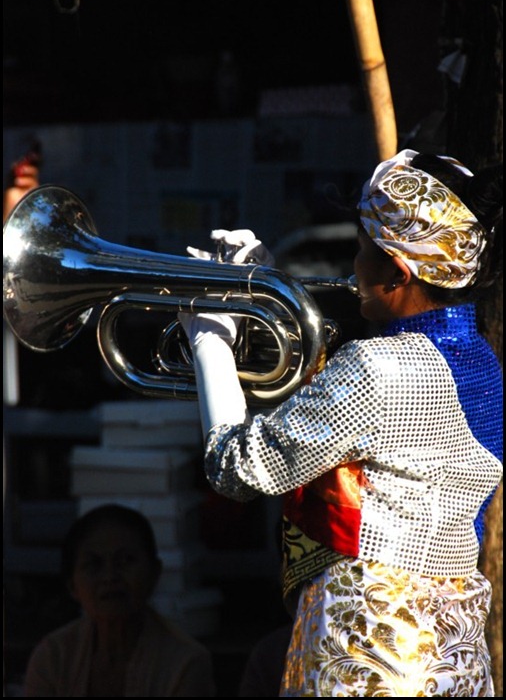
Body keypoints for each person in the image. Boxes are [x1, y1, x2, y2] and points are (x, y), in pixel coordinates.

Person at [178, 149, 503, 697]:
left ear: (397, 273)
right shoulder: (484, 364)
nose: (351, 265)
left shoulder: (381, 368)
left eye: (359, 250)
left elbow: (233, 467)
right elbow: (349, 427)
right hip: (452, 656)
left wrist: (208, 339)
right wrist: (267, 281)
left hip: (365, 651)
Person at [22, 504, 216, 697]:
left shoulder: (184, 663)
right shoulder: (53, 657)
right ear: (72, 586)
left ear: (154, 573)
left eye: (125, 561)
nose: (110, 577)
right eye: (93, 565)